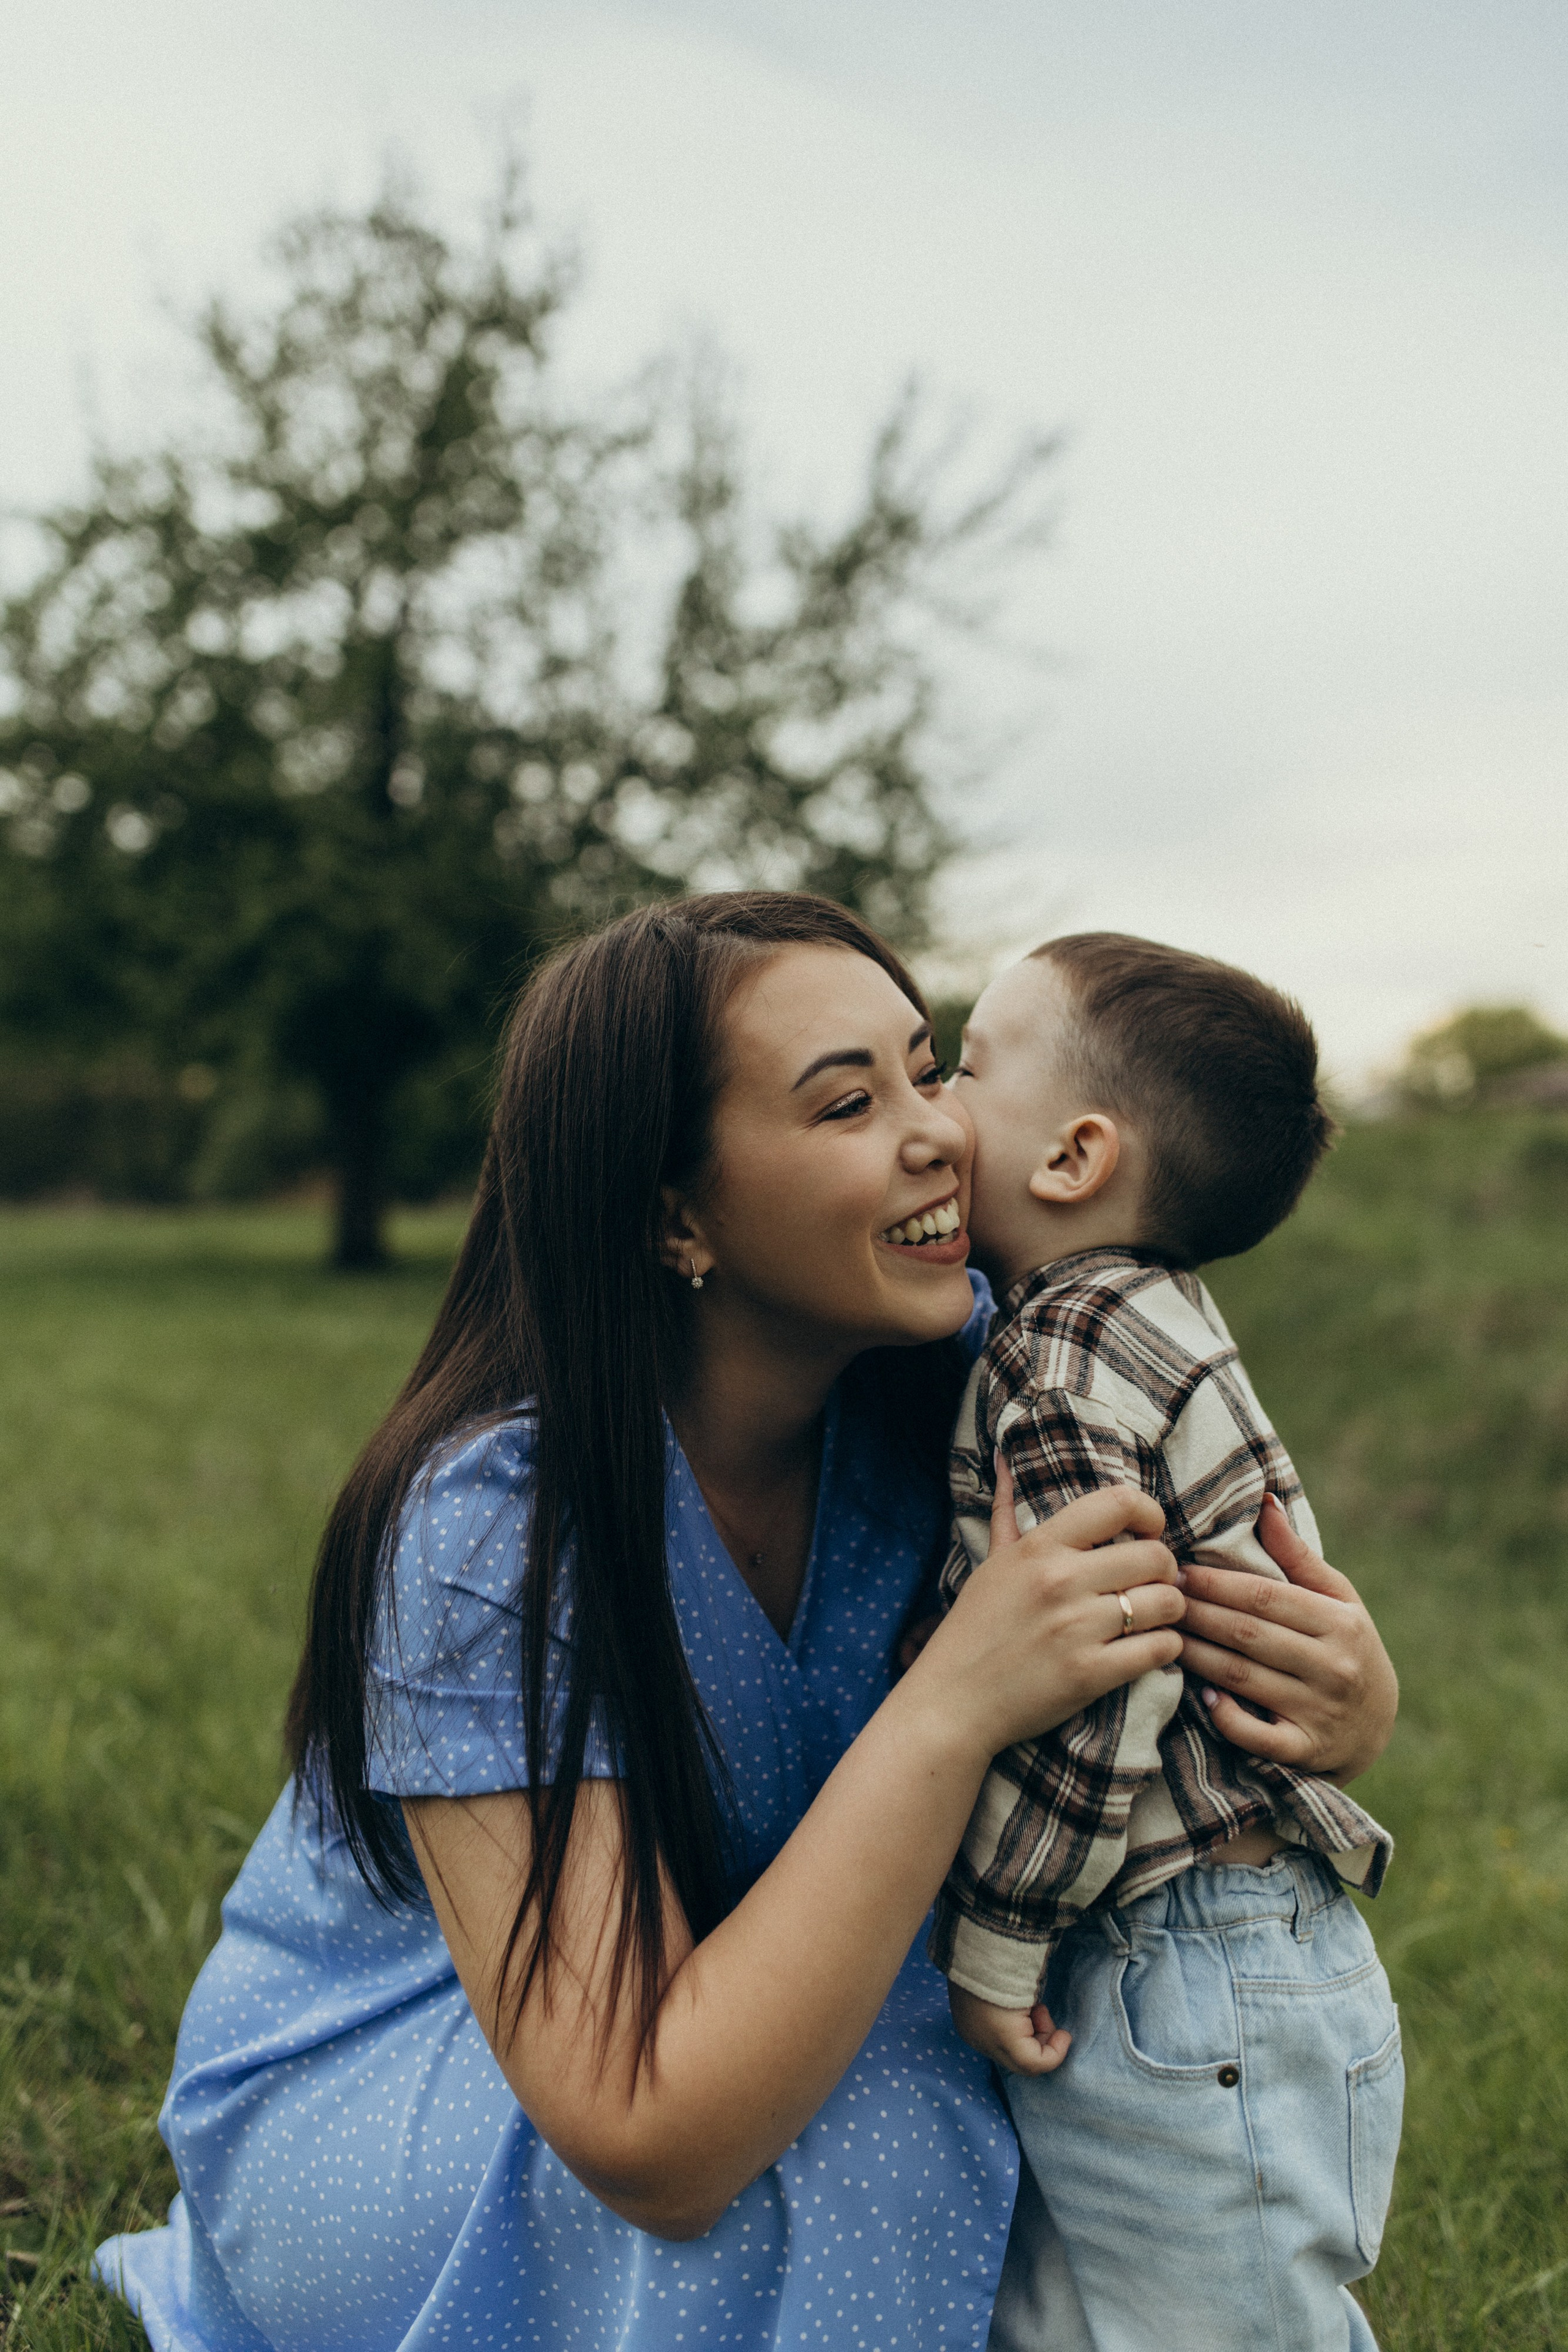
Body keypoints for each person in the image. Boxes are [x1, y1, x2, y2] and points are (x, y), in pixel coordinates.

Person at [94, 894, 1400, 2352]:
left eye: (931, 1068)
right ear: (673, 1214)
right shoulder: (492, 1526)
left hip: (766, 1995)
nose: (938, 1134)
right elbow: (642, 2130)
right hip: (442, 2069)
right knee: (874, 2134)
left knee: (1027, 2082)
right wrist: (951, 1703)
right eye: (848, 1102)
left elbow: (1203, 1548)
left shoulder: (977, 1386)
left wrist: (1336, 1696)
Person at [932, 933, 1403, 2352]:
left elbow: (1099, 1665)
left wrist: (1001, 1937)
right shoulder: (1151, 1311)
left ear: (1071, 1157)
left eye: (963, 1066)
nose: (937, 1106)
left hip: (1172, 1951)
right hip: (1224, 1952)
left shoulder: (1056, 1358)